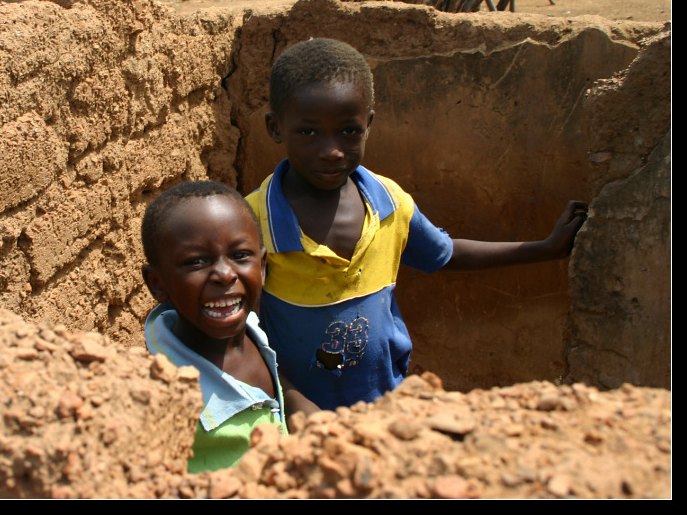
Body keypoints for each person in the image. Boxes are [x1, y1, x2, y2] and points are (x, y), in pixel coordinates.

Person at [246, 38, 588, 412]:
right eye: (309, 132)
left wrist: (544, 249)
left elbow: (445, 252)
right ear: (275, 128)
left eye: (349, 131)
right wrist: (294, 404)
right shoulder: (252, 222)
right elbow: (240, 329)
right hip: (297, 416)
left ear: (369, 125)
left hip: (386, 403)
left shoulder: (390, 204)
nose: (332, 150)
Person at [141, 180, 318, 473]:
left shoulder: (247, 325)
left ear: (262, 268)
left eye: (239, 256)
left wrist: (298, 405)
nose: (224, 275)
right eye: (196, 261)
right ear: (157, 284)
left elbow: (268, 388)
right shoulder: (166, 393)